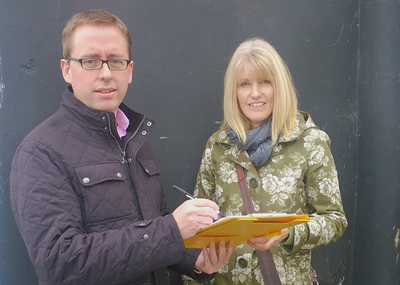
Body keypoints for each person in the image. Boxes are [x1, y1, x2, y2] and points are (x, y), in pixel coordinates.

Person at [9, 9, 234, 285]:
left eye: (116, 61)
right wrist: (171, 230)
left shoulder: (133, 139)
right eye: (90, 61)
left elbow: (154, 231)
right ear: (67, 69)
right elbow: (60, 265)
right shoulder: (40, 151)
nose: (105, 73)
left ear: (129, 71)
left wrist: (195, 261)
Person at [183, 37, 348, 285]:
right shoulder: (218, 146)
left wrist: (289, 233)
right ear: (234, 91)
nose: (255, 93)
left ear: (278, 86)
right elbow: (199, 227)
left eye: (265, 82)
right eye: (245, 84)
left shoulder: (309, 141)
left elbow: (334, 220)